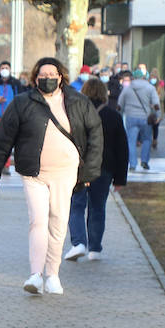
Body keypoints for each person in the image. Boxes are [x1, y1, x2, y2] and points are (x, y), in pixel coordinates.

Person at [0, 57, 102, 295]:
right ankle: (36, 275)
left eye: (52, 74)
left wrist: (89, 172)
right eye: (42, 75)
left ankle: (53, 275)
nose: (47, 78)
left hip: (66, 173)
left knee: (58, 222)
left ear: (61, 77)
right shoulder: (21, 103)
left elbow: (96, 136)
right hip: (33, 173)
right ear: (35, 77)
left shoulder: (79, 102)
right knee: (37, 221)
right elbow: (3, 137)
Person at [64, 79, 127, 262]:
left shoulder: (74, 113)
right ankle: (95, 249)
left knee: (76, 205)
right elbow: (122, 149)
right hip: (104, 167)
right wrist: (120, 179)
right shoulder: (113, 116)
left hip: (78, 167)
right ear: (103, 93)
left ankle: (78, 243)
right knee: (98, 207)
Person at [118, 67, 159, 172]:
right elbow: (156, 104)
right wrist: (157, 115)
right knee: (147, 139)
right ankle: (144, 161)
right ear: (143, 77)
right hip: (145, 118)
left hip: (131, 117)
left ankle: (132, 164)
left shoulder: (127, 89)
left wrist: (119, 115)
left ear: (133, 77)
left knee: (131, 141)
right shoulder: (150, 88)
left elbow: (120, 105)